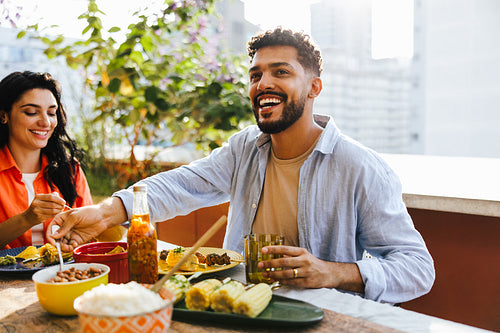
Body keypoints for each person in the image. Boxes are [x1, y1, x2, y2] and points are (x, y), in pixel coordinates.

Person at [48, 28, 435, 304]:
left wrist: (334, 272)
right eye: (256, 75)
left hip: (318, 316)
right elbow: (183, 184)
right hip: (239, 308)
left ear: (314, 87)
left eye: (280, 72)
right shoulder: (245, 148)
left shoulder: (361, 167)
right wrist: (102, 213)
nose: (263, 83)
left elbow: (417, 268)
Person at [0, 71, 93, 250]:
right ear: (4, 115)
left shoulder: (69, 169)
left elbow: (89, 233)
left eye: (51, 113)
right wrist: (26, 219)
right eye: (31, 112)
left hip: (62, 275)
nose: (45, 122)